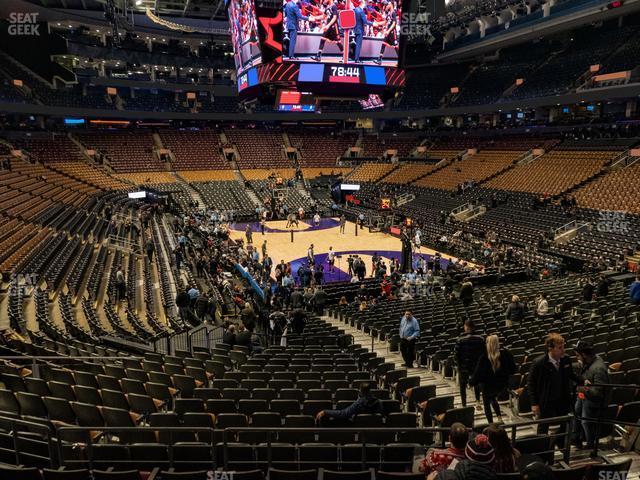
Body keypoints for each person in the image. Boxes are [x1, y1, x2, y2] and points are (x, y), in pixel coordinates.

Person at [528, 333, 579, 445]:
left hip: (562, 399)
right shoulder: (539, 363)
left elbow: (571, 375)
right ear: (550, 348)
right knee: (543, 427)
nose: (563, 350)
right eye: (560, 348)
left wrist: (583, 381)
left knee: (566, 424)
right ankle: (542, 448)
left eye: (563, 347)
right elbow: (531, 384)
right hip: (546, 401)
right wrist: (534, 404)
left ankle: (557, 443)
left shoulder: (566, 360)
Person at [470, 335, 515, 424]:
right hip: (501, 386)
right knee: (493, 398)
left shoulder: (484, 358)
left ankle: (490, 423)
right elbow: (513, 369)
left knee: (486, 404)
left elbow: (478, 374)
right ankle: (499, 417)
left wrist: (471, 382)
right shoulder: (506, 354)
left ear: (488, 344)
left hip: (488, 387)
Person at [573, 341, 610, 449]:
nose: (577, 358)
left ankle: (591, 445)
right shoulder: (590, 360)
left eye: (578, 356)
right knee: (576, 415)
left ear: (584, 355)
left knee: (586, 422)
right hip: (584, 397)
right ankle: (576, 439)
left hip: (592, 400)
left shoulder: (598, 368)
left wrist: (580, 388)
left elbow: (598, 392)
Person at [454, 319, 484, 407]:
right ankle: (478, 401)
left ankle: (464, 405)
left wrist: (458, 366)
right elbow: (484, 353)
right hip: (476, 366)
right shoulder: (481, 339)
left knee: (462, 386)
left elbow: (456, 355)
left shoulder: (460, 339)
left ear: (466, 327)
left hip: (464, 367)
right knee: (476, 384)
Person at [316, 382, 382, 421]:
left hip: (360, 431)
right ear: (369, 391)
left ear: (360, 391)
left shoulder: (359, 404)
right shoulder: (378, 402)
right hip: (375, 433)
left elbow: (343, 414)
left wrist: (325, 412)